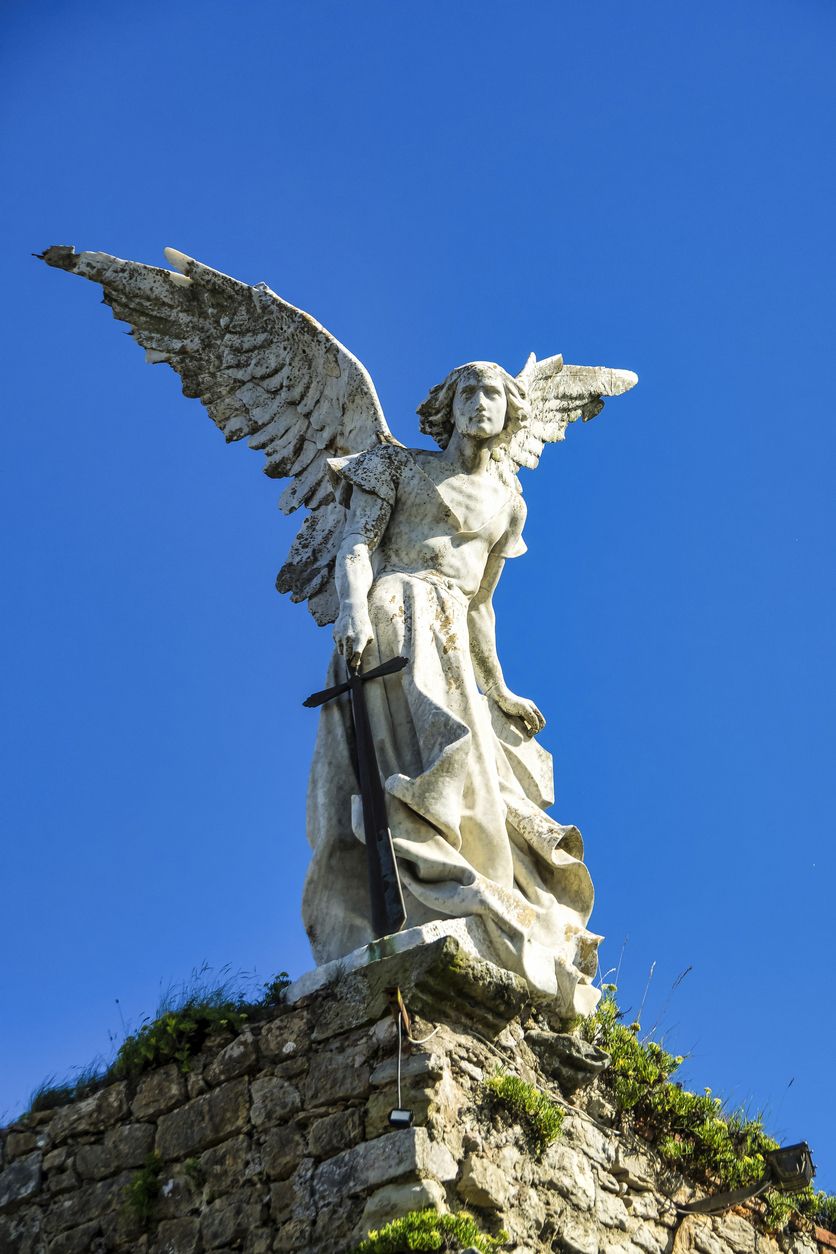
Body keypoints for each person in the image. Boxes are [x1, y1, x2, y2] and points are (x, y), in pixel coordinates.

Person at [302, 361, 599, 1010]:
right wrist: (352, 610)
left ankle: (454, 896)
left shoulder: (507, 504)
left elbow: (482, 606)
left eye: (492, 393)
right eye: (467, 391)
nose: (480, 403)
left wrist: (501, 688)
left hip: (454, 640)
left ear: (510, 410)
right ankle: (420, 893)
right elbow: (356, 543)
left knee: (483, 773)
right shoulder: (399, 467)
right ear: (447, 406)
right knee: (446, 754)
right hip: (395, 615)